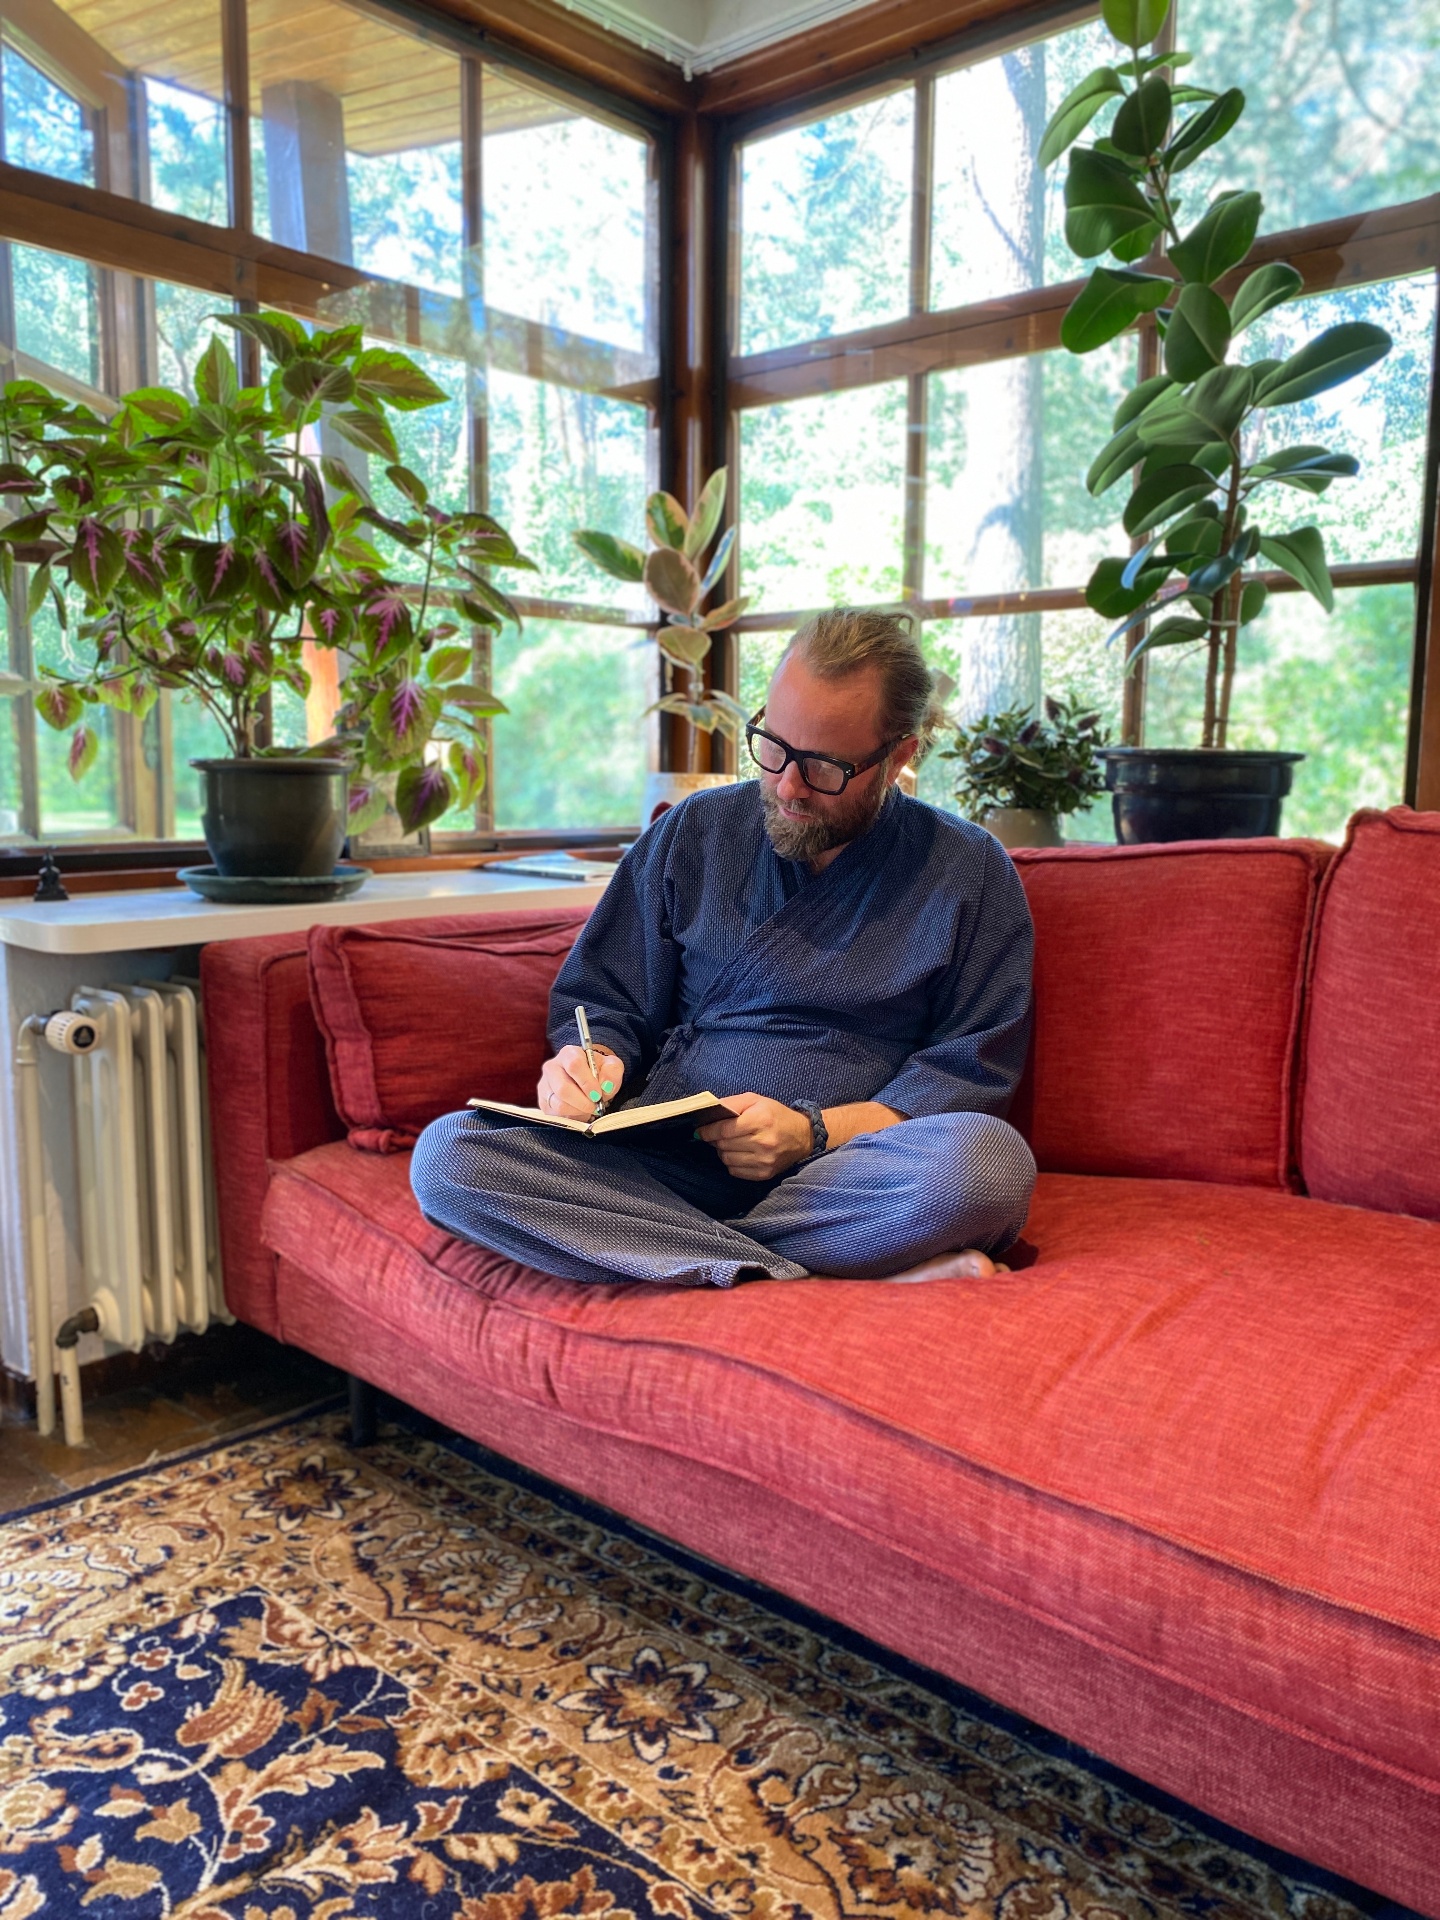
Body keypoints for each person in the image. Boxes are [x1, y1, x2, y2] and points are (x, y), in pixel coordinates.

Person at [411, 607, 1036, 1289]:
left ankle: (683, 1255)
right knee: (450, 1158)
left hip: (839, 1176)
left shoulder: (967, 870)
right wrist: (588, 1062)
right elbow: (606, 998)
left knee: (987, 1168)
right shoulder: (694, 832)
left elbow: (964, 1073)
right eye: (772, 745)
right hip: (664, 1164)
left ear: (897, 758)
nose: (787, 786)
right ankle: (801, 1269)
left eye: (823, 766)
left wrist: (809, 1133)